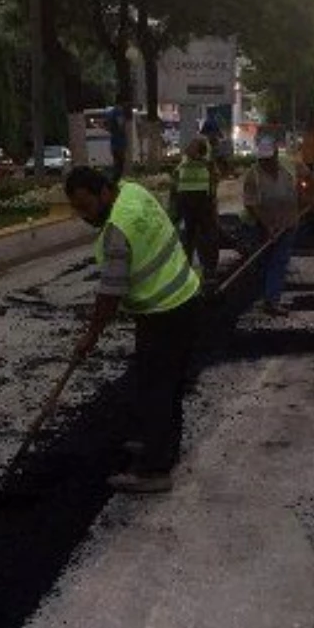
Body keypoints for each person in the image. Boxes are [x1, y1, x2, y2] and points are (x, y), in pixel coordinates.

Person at [65, 167, 202, 495]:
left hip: (164, 312)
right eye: (77, 209)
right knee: (168, 385)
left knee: (155, 388)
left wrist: (89, 337)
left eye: (86, 206)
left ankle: (154, 470)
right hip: (185, 298)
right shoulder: (133, 192)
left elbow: (109, 296)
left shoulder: (117, 230)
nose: (84, 216)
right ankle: (163, 446)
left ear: (103, 193)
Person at [243, 136, 299, 316]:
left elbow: (296, 191)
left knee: (279, 262)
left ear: (275, 154)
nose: (266, 162)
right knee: (263, 263)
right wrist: (267, 226)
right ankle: (261, 296)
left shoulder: (286, 170)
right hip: (260, 226)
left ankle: (271, 300)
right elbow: (250, 204)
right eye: (263, 159)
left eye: (269, 158)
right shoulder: (253, 175)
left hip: (287, 224)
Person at [171, 136, 219, 282]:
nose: (190, 148)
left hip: (201, 200)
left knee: (204, 236)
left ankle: (208, 270)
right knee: (189, 236)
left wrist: (213, 199)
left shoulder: (207, 163)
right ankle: (187, 269)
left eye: (194, 145)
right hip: (187, 200)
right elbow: (176, 178)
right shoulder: (186, 161)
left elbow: (214, 179)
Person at [106, 98, 132, 182]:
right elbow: (120, 124)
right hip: (119, 142)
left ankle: (114, 181)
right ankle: (115, 181)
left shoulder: (110, 112)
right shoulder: (118, 111)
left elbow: (108, 127)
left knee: (117, 163)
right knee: (120, 165)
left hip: (113, 141)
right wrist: (124, 130)